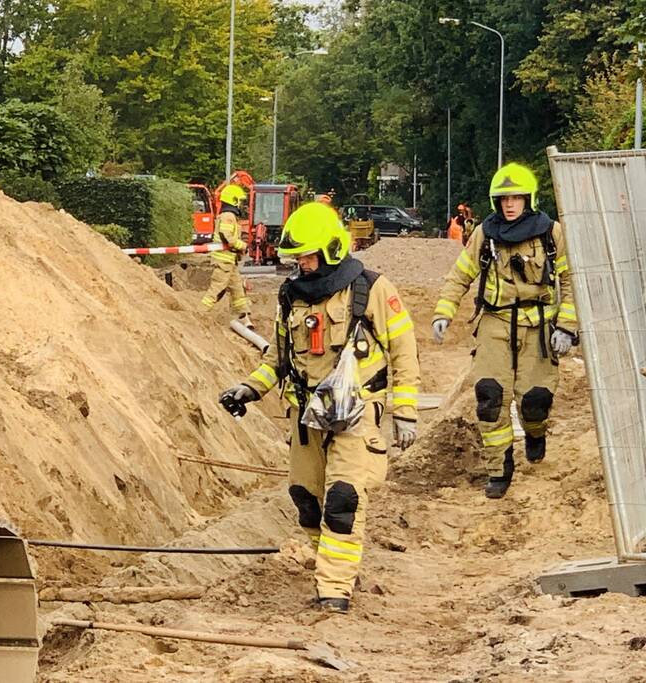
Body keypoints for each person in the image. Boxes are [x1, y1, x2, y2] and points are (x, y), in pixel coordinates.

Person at [219, 202, 421, 613]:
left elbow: (405, 353)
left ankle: (335, 589)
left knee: (343, 501)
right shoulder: (290, 296)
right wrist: (249, 389)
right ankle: (337, 564)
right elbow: (277, 358)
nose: (302, 265)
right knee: (306, 501)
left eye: (308, 256)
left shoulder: (372, 289)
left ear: (331, 250)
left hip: (355, 416)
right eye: (297, 258)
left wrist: (405, 411)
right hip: (305, 418)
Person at [432, 163, 578, 499]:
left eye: (516, 198)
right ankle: (499, 467)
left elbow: (571, 281)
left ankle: (535, 434)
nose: (509, 204)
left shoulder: (550, 233)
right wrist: (444, 312)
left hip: (539, 325)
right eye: (503, 199)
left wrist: (567, 327)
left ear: (528, 199)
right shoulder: (485, 233)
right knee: (490, 397)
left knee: (535, 400)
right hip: (495, 323)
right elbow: (460, 276)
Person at [200, 184, 252, 327]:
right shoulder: (228, 216)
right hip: (224, 262)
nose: (241, 204)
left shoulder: (230, 216)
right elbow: (226, 235)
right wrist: (242, 245)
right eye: (240, 201)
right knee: (216, 289)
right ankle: (199, 314)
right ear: (233, 200)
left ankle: (244, 317)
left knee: (237, 290)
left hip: (230, 262)